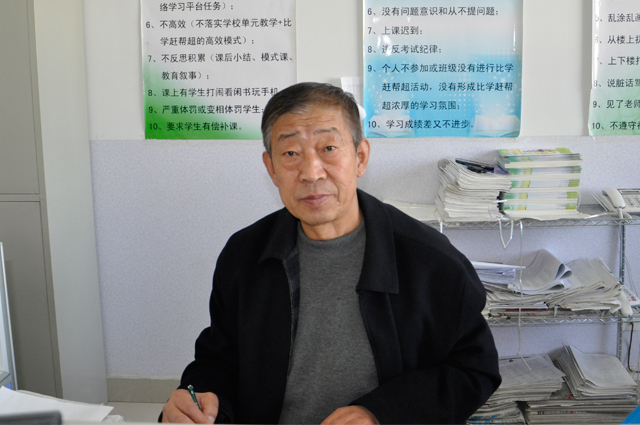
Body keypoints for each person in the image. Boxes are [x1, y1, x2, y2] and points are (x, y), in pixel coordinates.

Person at [161, 82, 501, 424]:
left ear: (360, 157)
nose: (311, 173)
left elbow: (473, 370)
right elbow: (219, 362)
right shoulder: (245, 255)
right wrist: (196, 396)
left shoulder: (430, 261)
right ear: (271, 168)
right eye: (290, 153)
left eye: (328, 148)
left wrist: (380, 413)